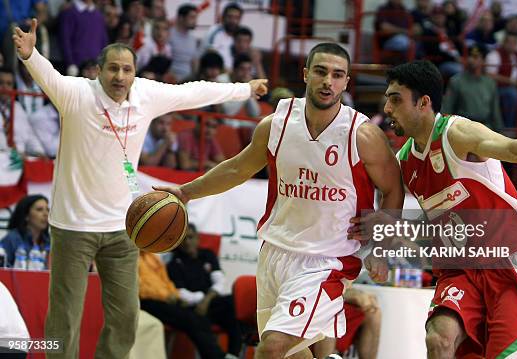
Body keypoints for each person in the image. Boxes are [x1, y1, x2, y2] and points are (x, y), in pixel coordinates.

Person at [12, 18, 267, 359]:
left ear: (135, 72)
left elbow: (195, 91)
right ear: (98, 72)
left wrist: (245, 89)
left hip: (123, 227)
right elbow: (50, 77)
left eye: (126, 69)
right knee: (65, 318)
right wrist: (30, 56)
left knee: (126, 318)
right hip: (73, 227)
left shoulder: (147, 94)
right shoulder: (75, 94)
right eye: (113, 69)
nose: (120, 76)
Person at [155, 42, 404, 359]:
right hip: (274, 253)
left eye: (337, 75)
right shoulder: (277, 124)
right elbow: (237, 167)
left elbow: (393, 187)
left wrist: (381, 247)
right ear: (306, 74)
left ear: (346, 82)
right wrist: (185, 192)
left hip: (326, 262)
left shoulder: (361, 134)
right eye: (321, 71)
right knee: (292, 355)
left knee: (270, 349)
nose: (328, 81)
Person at [376, 60, 517, 358]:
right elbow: (389, 202)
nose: (387, 108)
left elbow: (511, 147)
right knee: (439, 338)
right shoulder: (404, 160)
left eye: (395, 99)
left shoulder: (457, 133)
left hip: (506, 261)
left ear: (423, 103)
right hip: (460, 268)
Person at [138, 249, 231, 359]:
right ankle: (218, 357)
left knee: (199, 318)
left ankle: (217, 356)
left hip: (167, 299)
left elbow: (166, 281)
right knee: (190, 319)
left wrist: (175, 295)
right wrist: (166, 296)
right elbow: (140, 288)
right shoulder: (130, 258)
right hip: (147, 302)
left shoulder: (152, 256)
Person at [167, 223, 242, 357]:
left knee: (232, 304)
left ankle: (233, 354)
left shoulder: (208, 255)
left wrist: (206, 300)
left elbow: (219, 281)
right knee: (197, 319)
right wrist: (202, 299)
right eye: (183, 239)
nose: (187, 242)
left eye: (190, 237)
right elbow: (181, 294)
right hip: (193, 307)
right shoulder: (174, 263)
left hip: (211, 302)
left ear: (197, 238)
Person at [311, 288, 381, 359]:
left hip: (342, 299)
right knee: (331, 309)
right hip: (320, 304)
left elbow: (347, 286)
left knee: (373, 311)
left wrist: (362, 296)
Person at [0, 194, 49, 267]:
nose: (46, 214)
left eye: (47, 210)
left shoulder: (50, 242)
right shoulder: (12, 239)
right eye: (39, 210)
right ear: (26, 216)